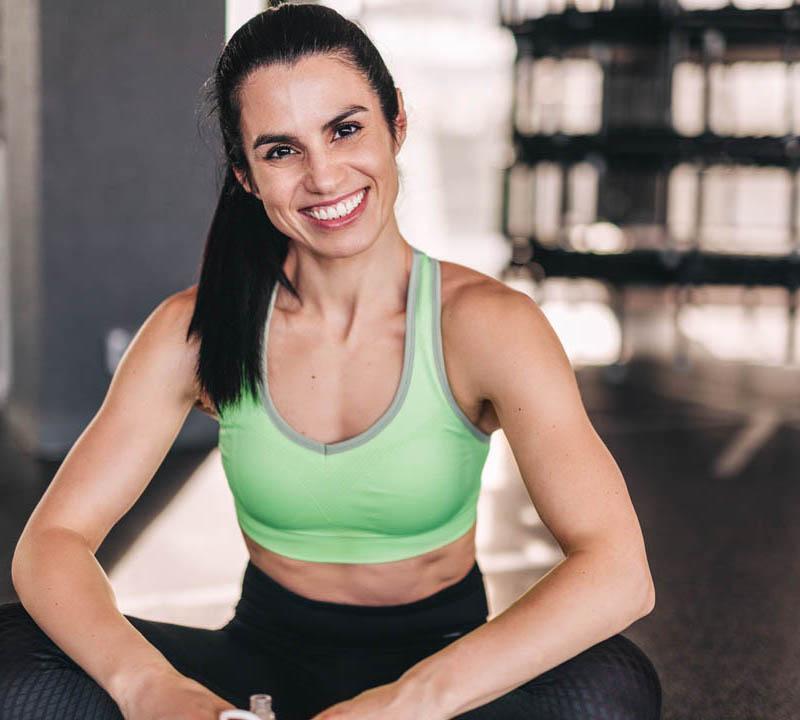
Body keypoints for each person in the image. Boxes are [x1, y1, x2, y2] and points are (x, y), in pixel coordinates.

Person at [0, 3, 662, 719]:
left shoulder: (486, 326)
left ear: (396, 124)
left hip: (442, 678)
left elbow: (619, 571)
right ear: (246, 175)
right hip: (259, 669)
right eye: (281, 150)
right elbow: (54, 542)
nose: (323, 175)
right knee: (16, 657)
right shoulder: (196, 330)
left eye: (345, 129)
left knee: (609, 690)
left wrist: (407, 704)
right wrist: (150, 688)